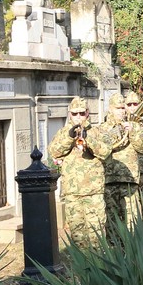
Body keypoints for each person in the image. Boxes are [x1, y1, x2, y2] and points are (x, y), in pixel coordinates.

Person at [49, 97, 112, 247]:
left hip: (93, 193)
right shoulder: (64, 132)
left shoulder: (97, 131)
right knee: (78, 237)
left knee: (97, 236)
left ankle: (100, 268)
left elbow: (106, 152)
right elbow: (54, 152)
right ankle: (82, 269)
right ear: (69, 114)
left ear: (88, 114)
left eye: (81, 114)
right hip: (72, 193)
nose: (78, 117)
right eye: (75, 113)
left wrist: (88, 140)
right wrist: (69, 138)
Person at [98, 90, 143, 231]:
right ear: (110, 109)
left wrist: (132, 132)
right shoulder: (101, 129)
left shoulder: (135, 126)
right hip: (109, 180)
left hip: (129, 181)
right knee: (112, 222)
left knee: (132, 222)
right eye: (117, 108)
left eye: (122, 108)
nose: (121, 111)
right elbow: (100, 148)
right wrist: (114, 133)